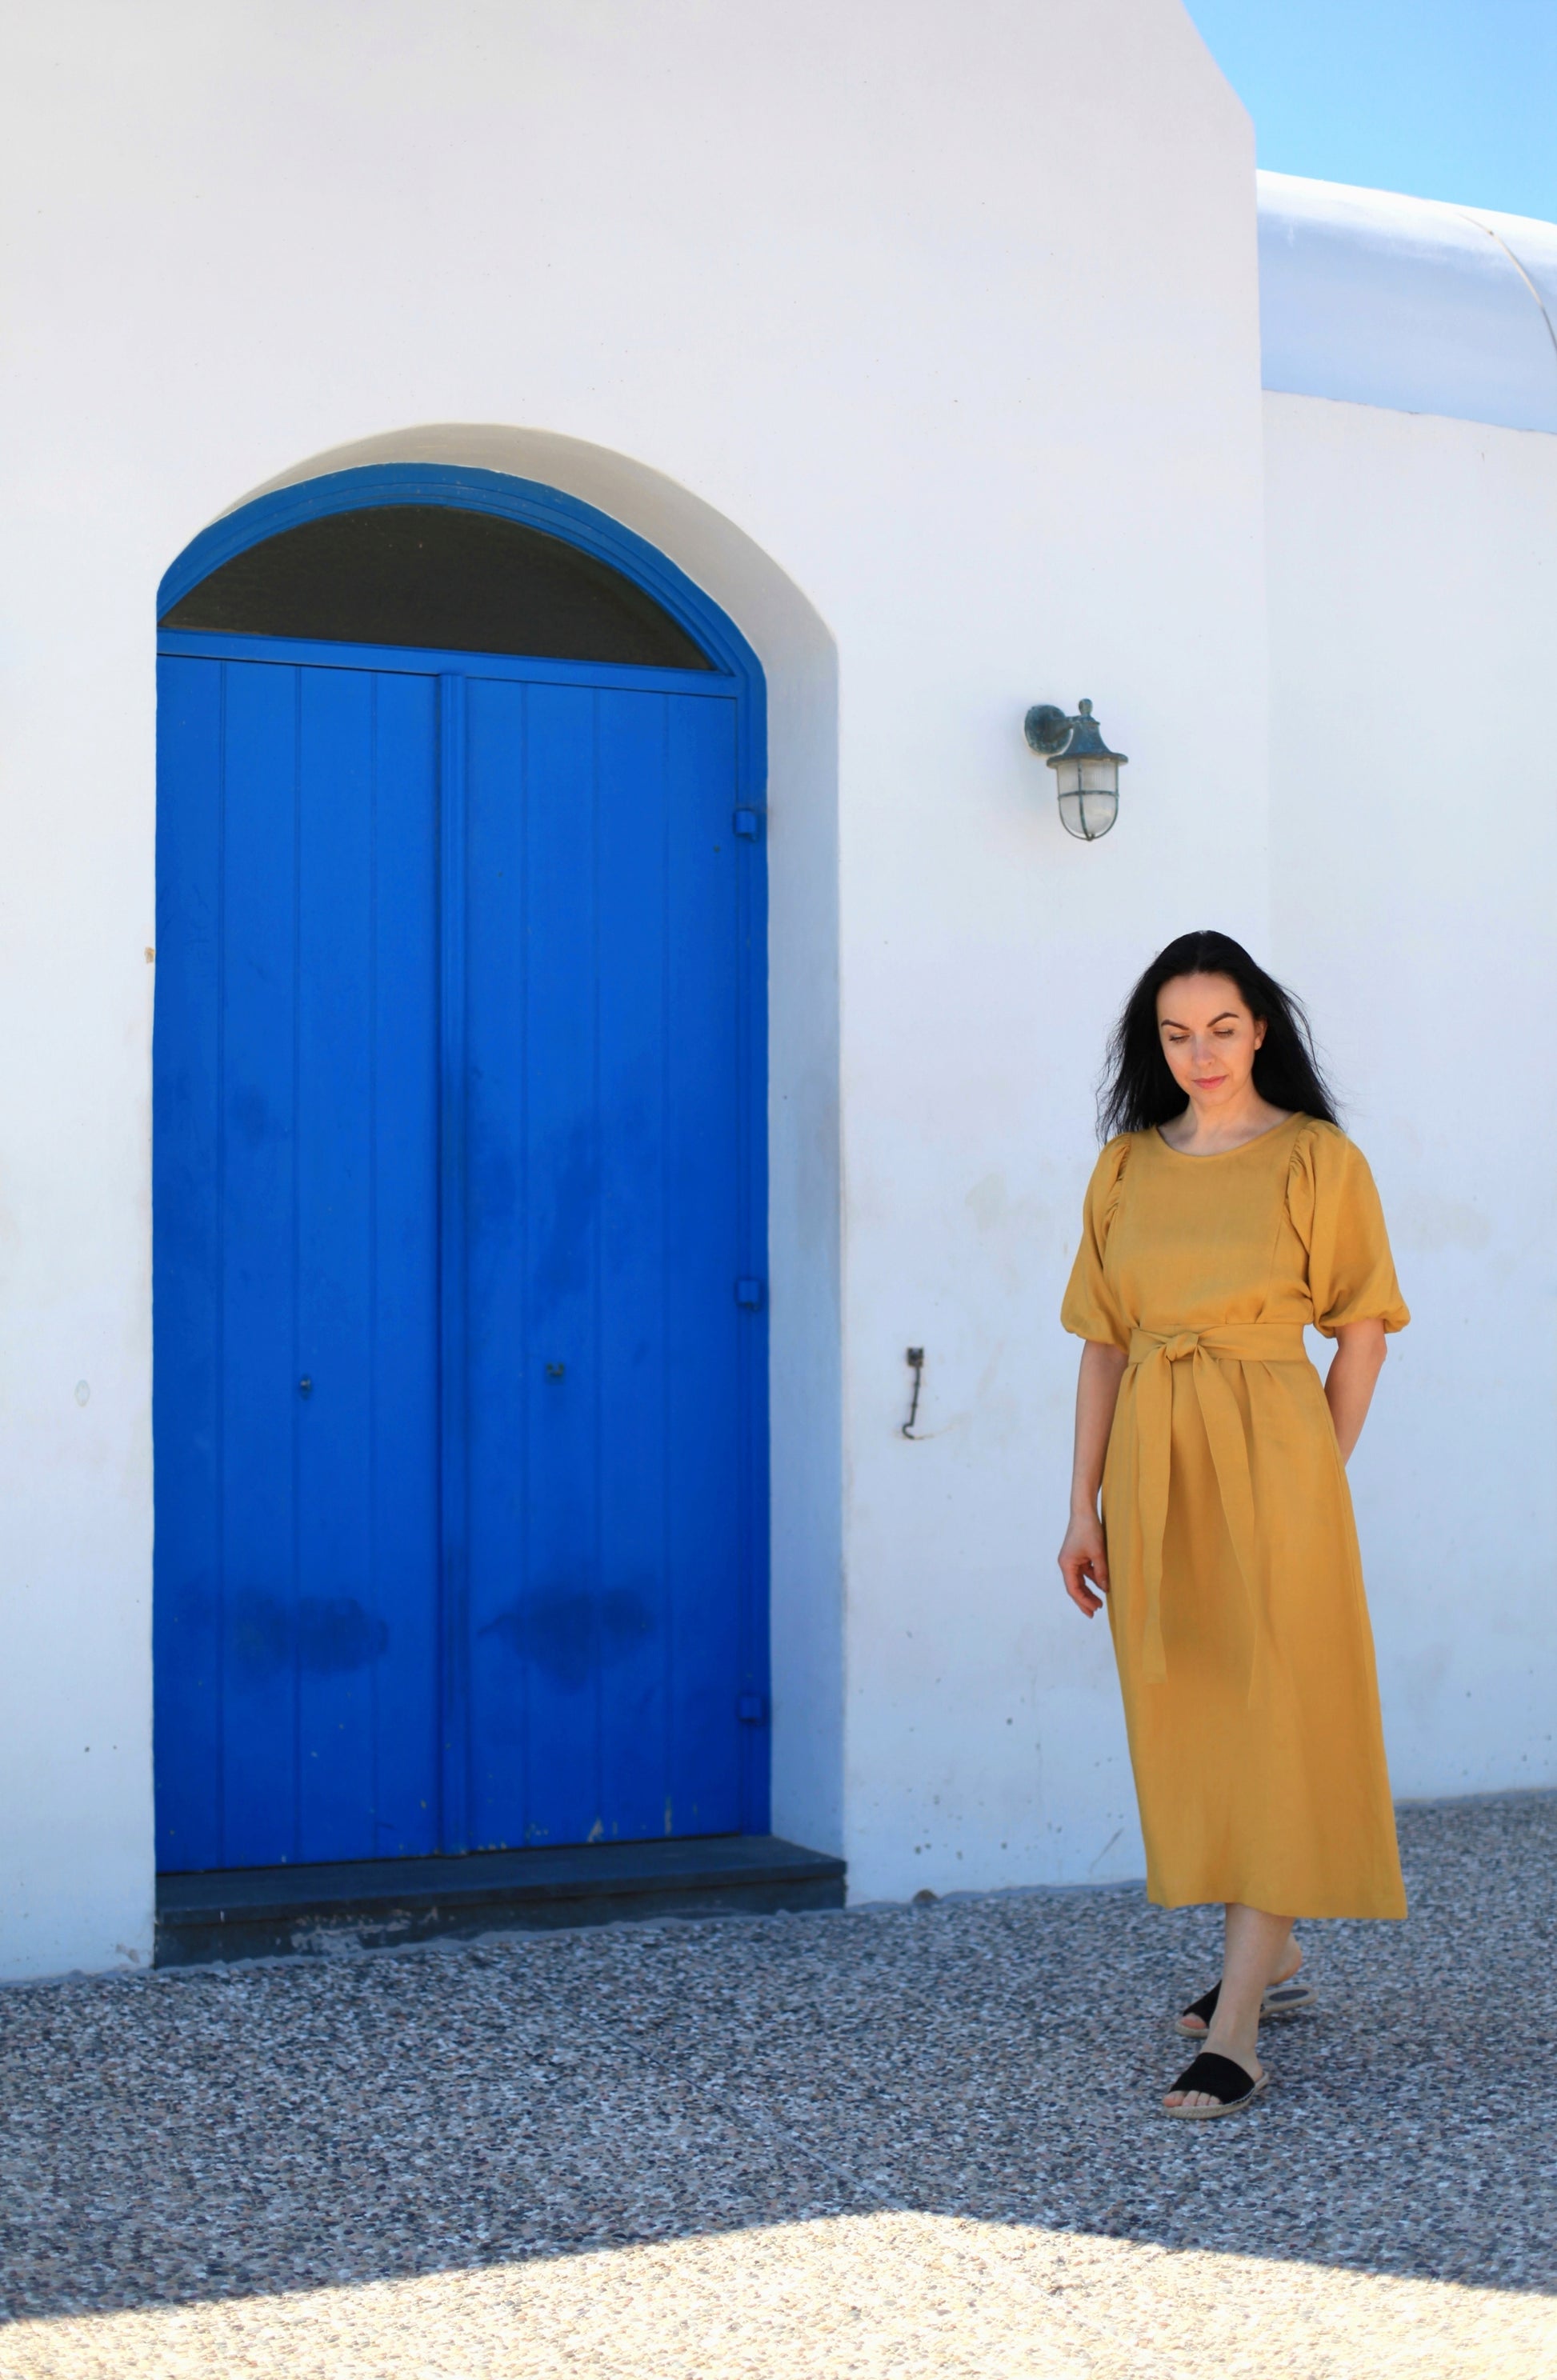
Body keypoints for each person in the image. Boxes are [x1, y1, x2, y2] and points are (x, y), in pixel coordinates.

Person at [1057, 930, 1408, 2118]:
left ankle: (1241, 2027)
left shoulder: (1315, 1158)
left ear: (1259, 1027)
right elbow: (1104, 1345)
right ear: (1150, 1044)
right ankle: (1280, 1951)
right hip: (1151, 1466)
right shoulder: (1123, 1168)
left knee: (1272, 1717)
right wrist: (1079, 1509)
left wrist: (1313, 1468)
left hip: (1272, 1459)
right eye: (1173, 1033)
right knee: (1191, 1710)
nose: (1197, 1053)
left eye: (1219, 1027)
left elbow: (1360, 1327)